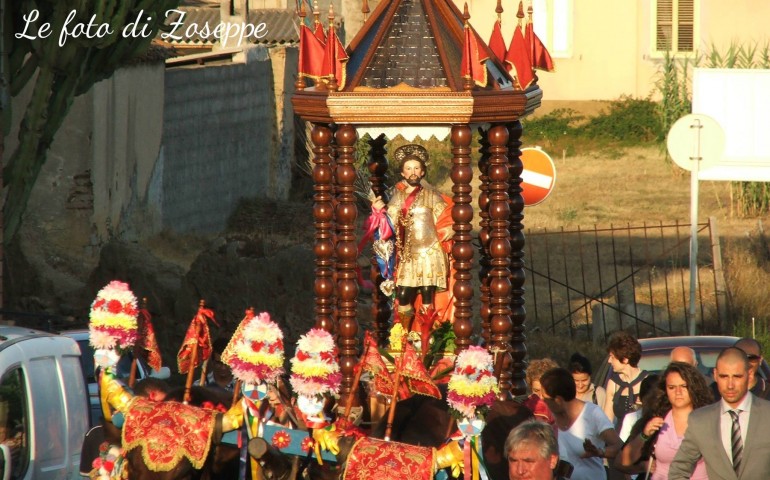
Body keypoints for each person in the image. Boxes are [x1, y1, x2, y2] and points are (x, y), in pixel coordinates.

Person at [371, 144, 453, 332]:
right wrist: (378, 212)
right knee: (404, 295)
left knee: (427, 296)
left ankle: (426, 339)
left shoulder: (432, 196)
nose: (413, 172)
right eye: (408, 168)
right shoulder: (397, 197)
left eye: (417, 168)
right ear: (402, 172)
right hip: (408, 255)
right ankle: (402, 337)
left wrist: (452, 229)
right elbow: (388, 224)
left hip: (430, 253)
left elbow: (446, 216)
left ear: (423, 172)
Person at [669, 347, 770, 479]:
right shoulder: (700, 420)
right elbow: (679, 469)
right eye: (724, 376)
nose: (730, 385)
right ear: (715, 375)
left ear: (749, 374)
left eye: (737, 376)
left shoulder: (767, 414)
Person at [617, 362, 712, 480]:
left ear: (693, 387)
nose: (678, 392)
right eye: (672, 387)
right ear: (665, 390)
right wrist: (644, 435)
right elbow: (624, 460)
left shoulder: (708, 419)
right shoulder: (656, 419)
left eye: (683, 386)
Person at [540, 367, 622, 480]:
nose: (542, 401)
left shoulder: (593, 413)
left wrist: (599, 452)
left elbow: (619, 446)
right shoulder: (549, 418)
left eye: (545, 398)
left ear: (558, 400)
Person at [603, 331, 648, 428]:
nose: (609, 361)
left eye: (612, 357)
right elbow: (607, 422)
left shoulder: (648, 381)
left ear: (625, 359)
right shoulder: (613, 383)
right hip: (619, 440)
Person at [523, 358, 560, 429]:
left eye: (545, 391)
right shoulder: (524, 407)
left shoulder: (562, 409)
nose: (541, 396)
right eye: (536, 391)